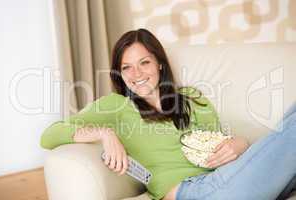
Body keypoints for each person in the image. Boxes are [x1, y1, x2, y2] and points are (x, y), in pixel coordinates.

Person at [40, 29, 296, 200]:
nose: (136, 74)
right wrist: (104, 134)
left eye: (144, 63)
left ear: (159, 64)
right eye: (126, 67)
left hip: (226, 179)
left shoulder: (192, 99)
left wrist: (239, 144)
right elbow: (50, 135)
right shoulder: (116, 106)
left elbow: (219, 143)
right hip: (192, 193)